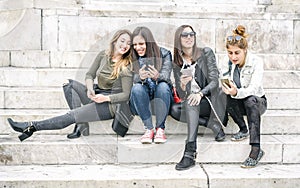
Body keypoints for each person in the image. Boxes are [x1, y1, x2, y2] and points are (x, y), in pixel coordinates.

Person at [7, 29, 133, 141]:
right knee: (69, 85)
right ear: (115, 41)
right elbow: (89, 75)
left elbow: (126, 95)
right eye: (122, 41)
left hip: (109, 104)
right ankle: (82, 124)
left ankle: (31, 126)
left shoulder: (126, 65)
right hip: (96, 94)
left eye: (128, 44)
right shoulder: (103, 55)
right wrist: (89, 89)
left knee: (71, 115)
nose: (125, 45)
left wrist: (105, 98)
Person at [171, 25, 226, 171]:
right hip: (193, 103)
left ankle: (190, 152)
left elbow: (215, 81)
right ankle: (212, 125)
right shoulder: (177, 62)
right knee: (174, 110)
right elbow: (182, 95)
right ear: (179, 39)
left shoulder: (206, 53)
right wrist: (182, 86)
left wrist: (200, 93)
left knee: (191, 103)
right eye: (184, 35)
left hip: (209, 100)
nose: (189, 37)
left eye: (191, 34)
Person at [220, 25, 267, 168]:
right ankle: (243, 128)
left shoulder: (256, 62)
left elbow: (254, 88)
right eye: (230, 53)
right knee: (223, 94)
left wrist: (237, 93)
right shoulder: (227, 62)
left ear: (245, 50)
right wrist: (227, 88)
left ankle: (256, 149)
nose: (233, 57)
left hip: (257, 102)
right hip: (237, 101)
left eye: (236, 53)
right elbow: (223, 78)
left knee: (250, 99)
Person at [129, 26, 172, 144]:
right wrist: (139, 77)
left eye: (141, 44)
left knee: (163, 86)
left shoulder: (164, 53)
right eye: (135, 45)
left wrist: (157, 76)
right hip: (141, 99)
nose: (138, 48)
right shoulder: (133, 56)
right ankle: (149, 129)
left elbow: (167, 77)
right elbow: (130, 79)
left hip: (162, 96)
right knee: (136, 88)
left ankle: (160, 129)